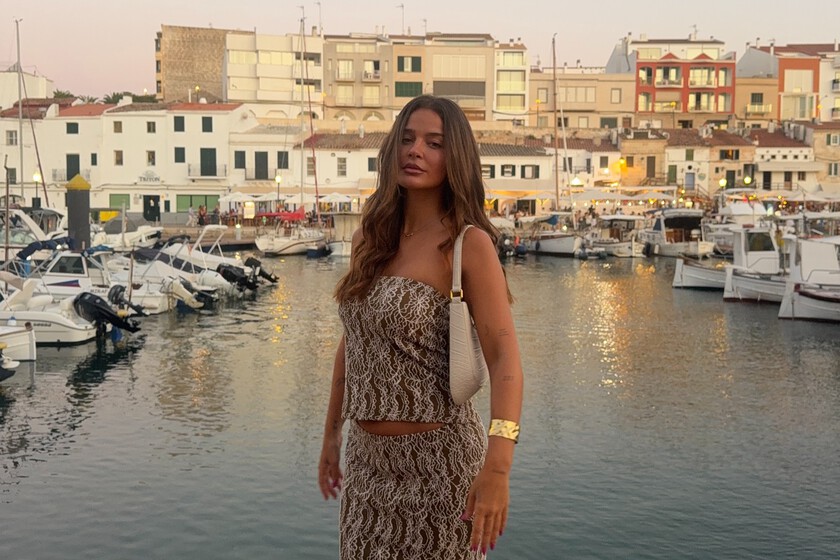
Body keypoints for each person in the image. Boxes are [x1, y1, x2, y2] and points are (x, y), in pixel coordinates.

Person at [318, 95, 524, 559]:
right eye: (407, 139)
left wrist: (498, 468)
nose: (415, 150)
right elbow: (354, 344)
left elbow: (505, 360)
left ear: (456, 158)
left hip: (442, 470)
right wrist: (331, 434)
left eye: (434, 143)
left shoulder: (467, 245)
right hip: (367, 469)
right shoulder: (368, 239)